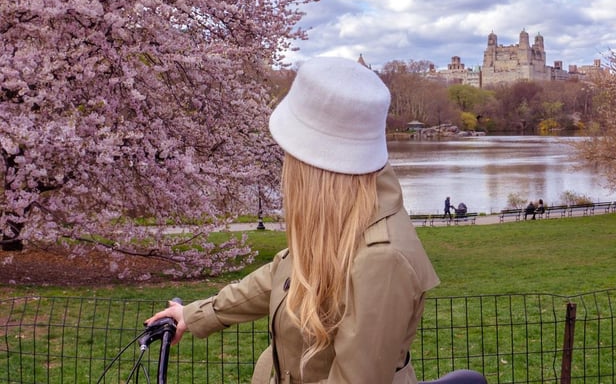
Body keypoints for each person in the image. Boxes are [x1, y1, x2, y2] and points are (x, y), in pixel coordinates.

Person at [146, 56, 440, 384]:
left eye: (290, 153)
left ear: (312, 165)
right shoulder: (343, 218)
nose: (286, 166)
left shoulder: (382, 259)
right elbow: (283, 274)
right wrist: (195, 315)